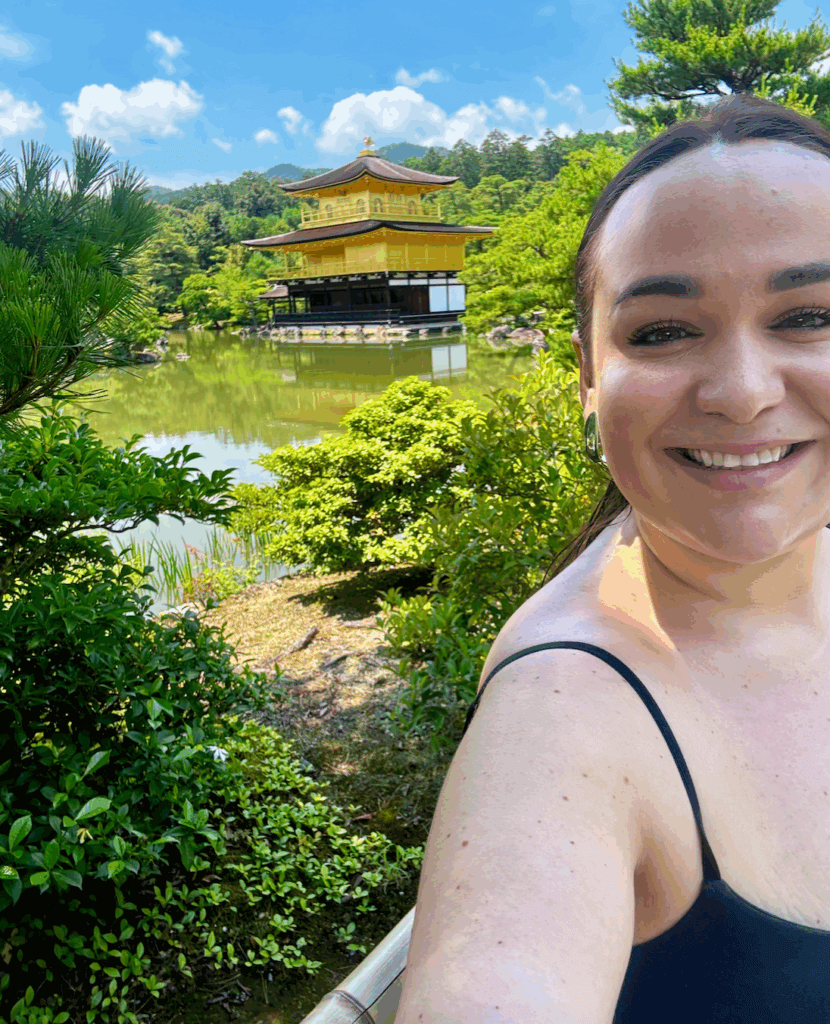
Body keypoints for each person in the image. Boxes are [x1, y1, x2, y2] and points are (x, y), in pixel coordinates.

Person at [394, 92, 830, 1023]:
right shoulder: (560, 714)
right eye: (663, 331)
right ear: (589, 375)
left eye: (809, 316)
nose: (743, 392)